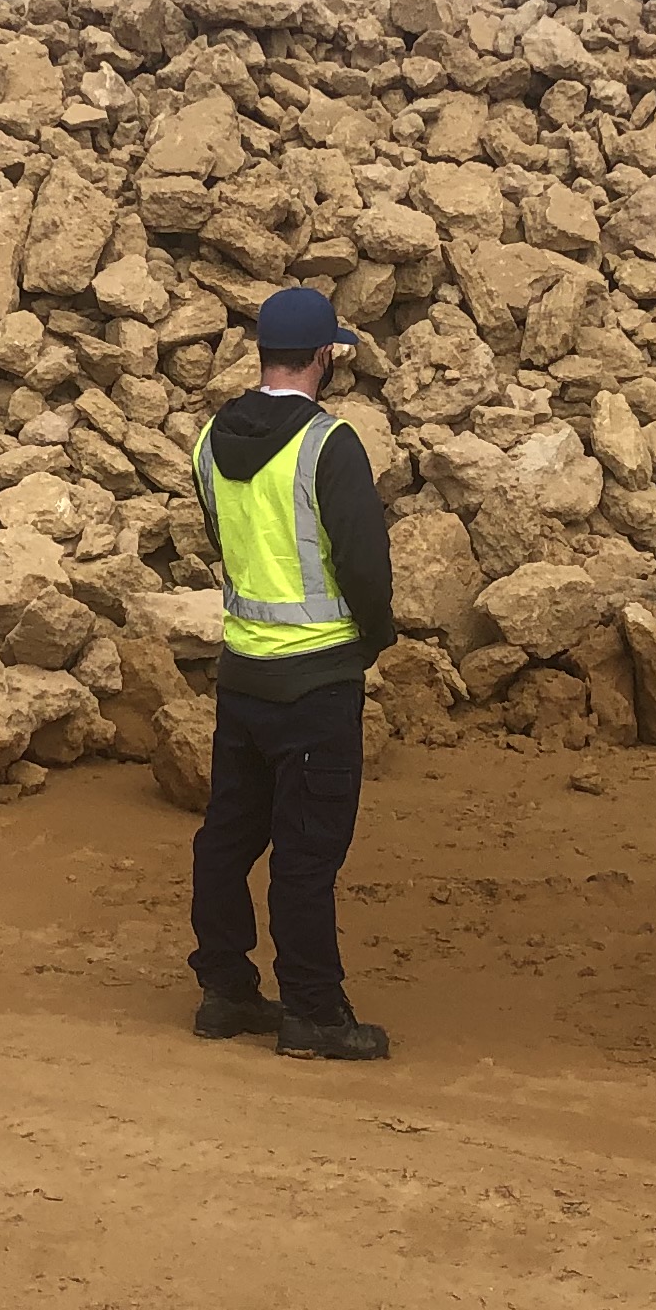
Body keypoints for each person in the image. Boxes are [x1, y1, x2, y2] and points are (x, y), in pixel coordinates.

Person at [186, 286, 398, 1060]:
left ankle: (224, 989)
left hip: (243, 672)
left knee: (228, 836)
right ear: (321, 357)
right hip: (316, 681)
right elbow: (365, 564)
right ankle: (313, 1009)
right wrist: (371, 639)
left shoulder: (211, 439)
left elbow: (223, 540)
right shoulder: (328, 445)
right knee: (307, 854)